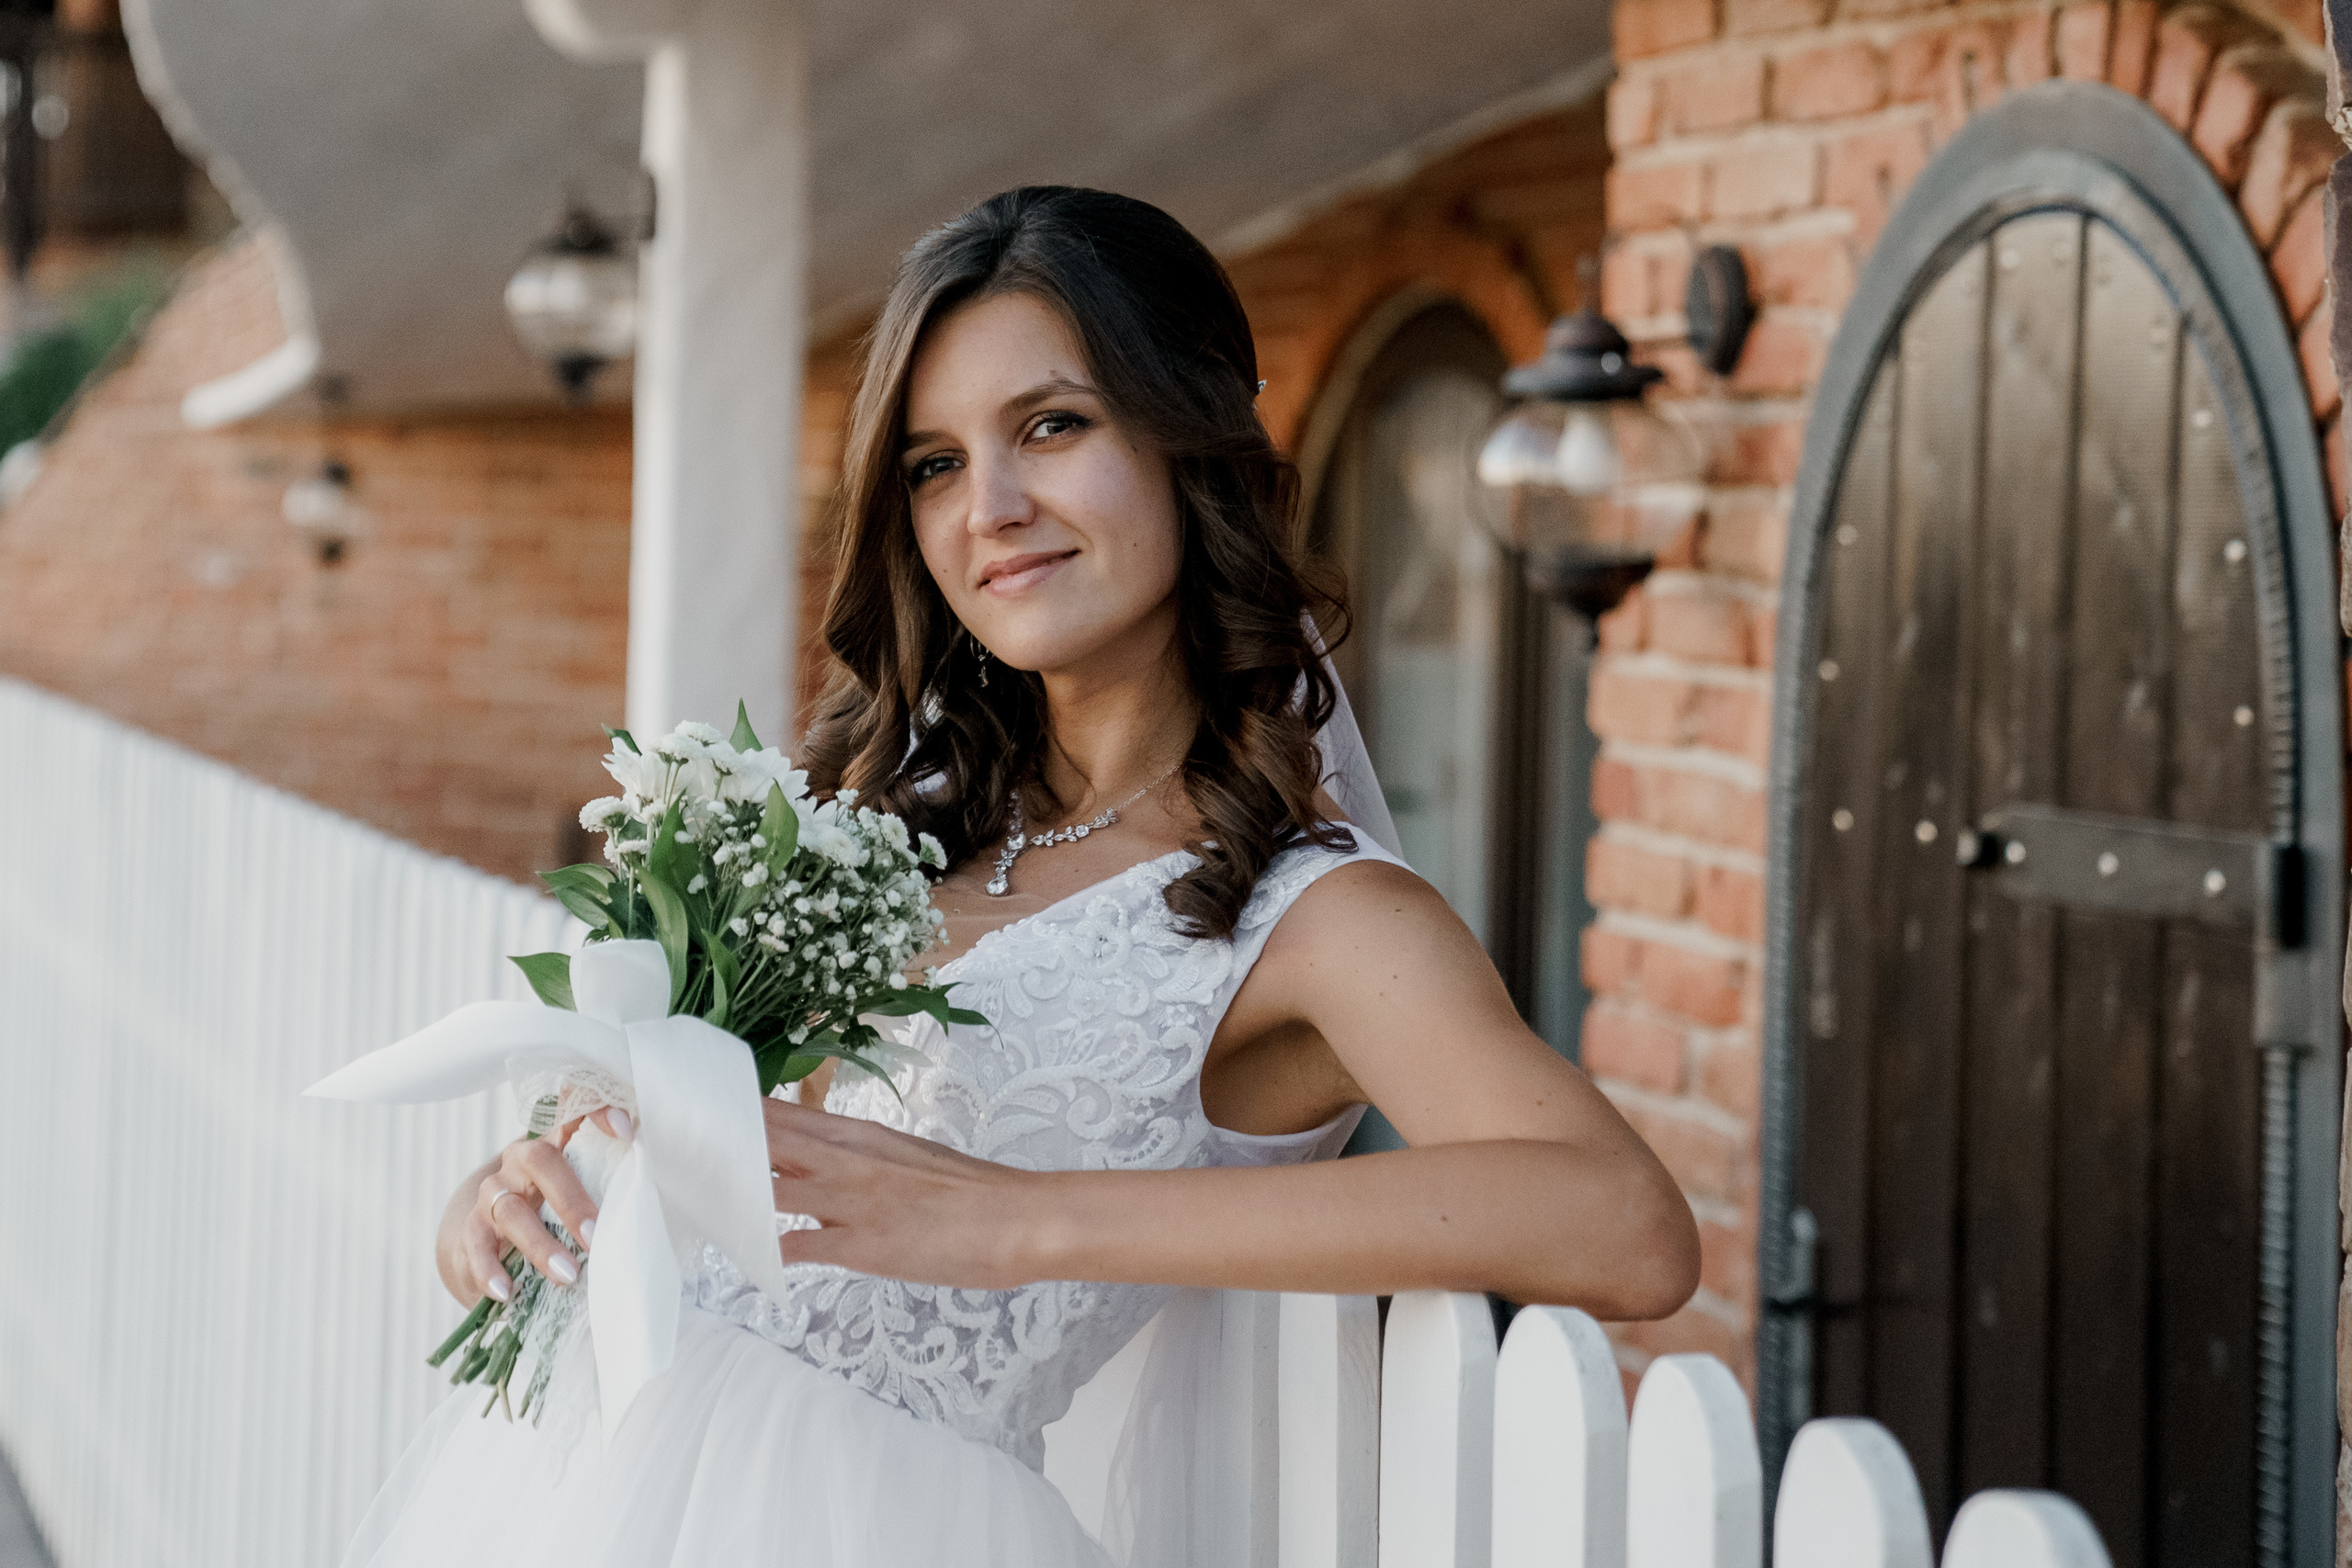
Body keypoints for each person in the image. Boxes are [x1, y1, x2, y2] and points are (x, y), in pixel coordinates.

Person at [343, 186, 1698, 1567]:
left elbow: (1629, 1228)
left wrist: (1022, 1222)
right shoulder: (868, 827)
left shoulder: (1313, 917)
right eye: (933, 463)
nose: (989, 508)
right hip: (575, 1484)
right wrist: (527, 1201)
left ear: (1193, 448)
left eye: (1053, 426)